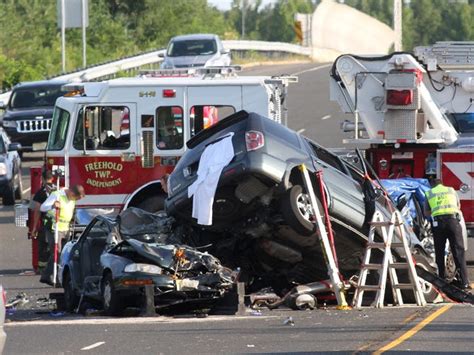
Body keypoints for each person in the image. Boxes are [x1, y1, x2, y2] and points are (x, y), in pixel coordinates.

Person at [424, 179, 471, 290]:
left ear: (432, 186)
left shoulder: (429, 193)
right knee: (458, 251)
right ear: (442, 184)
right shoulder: (451, 190)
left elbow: (426, 213)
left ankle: (441, 281)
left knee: (439, 252)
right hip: (453, 222)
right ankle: (464, 282)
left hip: (438, 224)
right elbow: (458, 206)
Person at [39, 184, 85, 286]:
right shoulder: (57, 195)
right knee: (57, 253)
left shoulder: (72, 199)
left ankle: (46, 275)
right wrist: (52, 205)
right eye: (76, 197)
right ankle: (56, 278)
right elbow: (42, 207)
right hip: (54, 228)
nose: (76, 200)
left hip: (65, 229)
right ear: (72, 193)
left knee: (63, 254)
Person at [30, 170, 55, 274]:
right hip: (59, 224)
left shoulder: (41, 192)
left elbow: (37, 211)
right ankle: (54, 268)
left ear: (43, 179)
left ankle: (42, 270)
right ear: (52, 178)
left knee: (43, 247)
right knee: (55, 247)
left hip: (47, 224)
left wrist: (34, 228)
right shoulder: (58, 190)